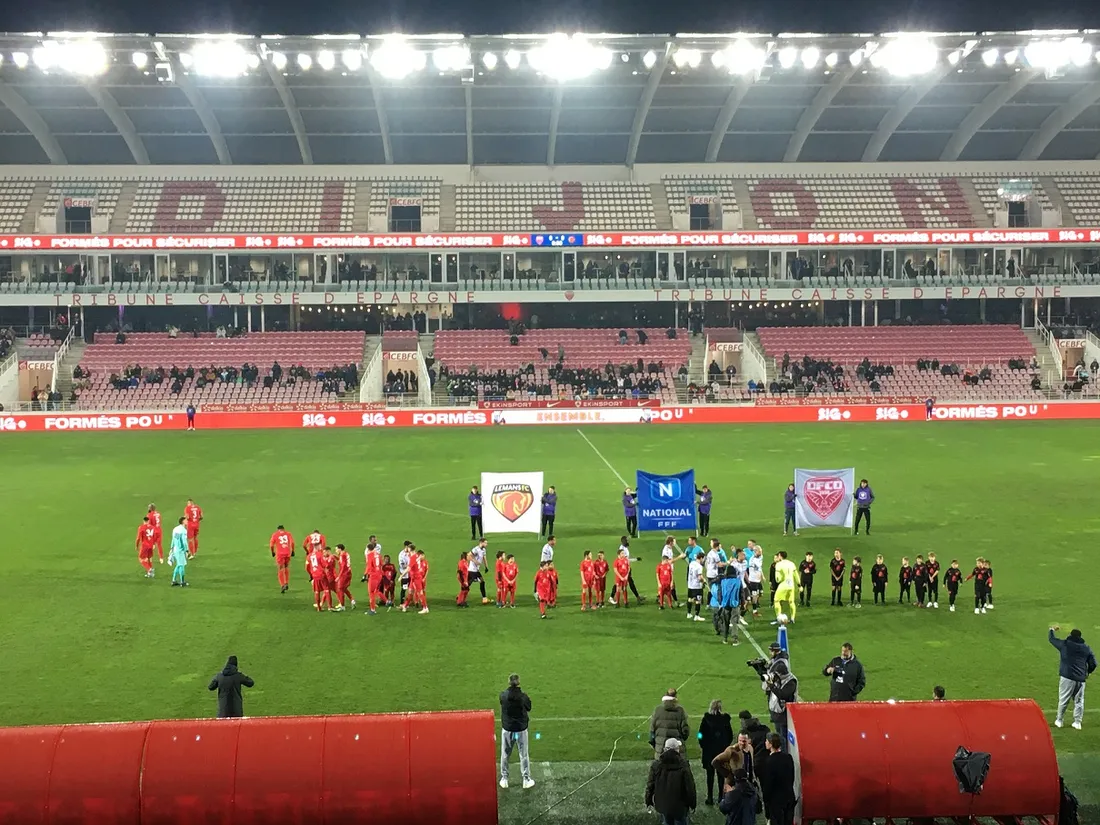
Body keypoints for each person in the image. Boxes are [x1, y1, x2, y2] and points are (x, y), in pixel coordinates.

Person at [1050, 626, 1097, 730]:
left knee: (1063, 699)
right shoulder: (1086, 648)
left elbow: (1052, 640)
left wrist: (1052, 630)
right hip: (1081, 679)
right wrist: (1087, 672)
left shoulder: (1065, 644)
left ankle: (1059, 720)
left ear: (1071, 635)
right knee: (1079, 701)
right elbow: (1093, 663)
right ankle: (1077, 722)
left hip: (1067, 677)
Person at [645, 738, 697, 825]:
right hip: (680, 806)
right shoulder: (683, 765)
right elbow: (690, 787)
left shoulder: (656, 765)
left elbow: (650, 785)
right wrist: (692, 803)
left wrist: (648, 799)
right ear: (677, 749)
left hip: (663, 805)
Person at [499, 673, 535, 789]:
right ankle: (526, 779)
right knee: (523, 754)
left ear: (509, 682)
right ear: (518, 682)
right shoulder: (523, 697)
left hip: (508, 728)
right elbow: (529, 707)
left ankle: (504, 779)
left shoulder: (503, 695)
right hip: (520, 729)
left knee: (505, 754)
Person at [698, 700, 734, 805]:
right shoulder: (725, 720)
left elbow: (700, 734)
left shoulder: (706, 720)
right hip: (721, 751)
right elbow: (730, 735)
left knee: (709, 775)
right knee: (721, 775)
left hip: (708, 751)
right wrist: (726, 745)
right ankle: (720, 797)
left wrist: (702, 745)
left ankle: (709, 797)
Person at [759, 733, 796, 825]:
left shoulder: (769, 762)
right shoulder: (788, 758)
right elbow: (792, 777)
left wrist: (766, 799)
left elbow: (768, 784)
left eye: (767, 741)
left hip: (776, 800)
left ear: (771, 744)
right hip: (789, 796)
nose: (765, 742)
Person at [764, 659, 798, 746]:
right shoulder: (778, 678)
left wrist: (771, 685)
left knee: (783, 740)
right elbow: (766, 689)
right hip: (776, 713)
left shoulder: (791, 682)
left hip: (784, 715)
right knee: (779, 737)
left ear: (780, 674)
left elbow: (782, 695)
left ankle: (785, 755)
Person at [650, 688, 690, 755]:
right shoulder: (680, 711)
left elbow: (652, 731)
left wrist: (655, 744)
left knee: (660, 764)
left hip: (661, 748)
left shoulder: (657, 710)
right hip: (677, 749)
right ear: (676, 697)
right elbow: (685, 731)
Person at [714, 563, 742, 645]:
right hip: (735, 603)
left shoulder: (723, 582)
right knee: (734, 622)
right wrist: (743, 603)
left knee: (725, 622)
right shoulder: (738, 581)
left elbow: (720, 593)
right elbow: (741, 593)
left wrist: (720, 602)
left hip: (725, 604)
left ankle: (725, 638)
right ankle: (735, 639)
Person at [772, 550, 799, 623]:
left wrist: (779, 578)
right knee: (791, 602)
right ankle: (792, 618)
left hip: (783, 585)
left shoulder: (778, 564)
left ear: (780, 556)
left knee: (776, 600)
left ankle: (778, 617)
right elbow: (796, 575)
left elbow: (778, 579)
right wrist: (799, 585)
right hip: (791, 585)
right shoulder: (791, 563)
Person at [269, 525, 295, 593]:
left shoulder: (275, 535)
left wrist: (272, 552)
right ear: (283, 529)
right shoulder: (288, 534)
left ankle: (282, 585)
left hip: (280, 554)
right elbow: (292, 542)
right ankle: (286, 582)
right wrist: (292, 551)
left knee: (280, 569)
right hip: (287, 553)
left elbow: (271, 545)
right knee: (286, 567)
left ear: (278, 530)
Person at [168, 517, 189, 587]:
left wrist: (171, 548)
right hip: (180, 550)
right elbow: (184, 542)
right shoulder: (183, 531)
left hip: (175, 549)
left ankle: (173, 580)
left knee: (178, 565)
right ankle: (182, 582)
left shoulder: (175, 529)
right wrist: (186, 550)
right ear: (183, 522)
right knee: (182, 565)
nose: (187, 521)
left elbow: (173, 539)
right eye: (186, 520)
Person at [334, 544, 355, 611]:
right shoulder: (345, 553)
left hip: (344, 574)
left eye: (336, 549)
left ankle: (342, 606)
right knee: (344, 588)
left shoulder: (342, 555)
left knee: (340, 589)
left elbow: (343, 567)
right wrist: (336, 557)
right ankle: (352, 600)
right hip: (348, 572)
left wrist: (339, 576)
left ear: (340, 549)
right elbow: (343, 562)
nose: (336, 550)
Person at [686, 551, 706, 622]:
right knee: (698, 600)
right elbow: (700, 577)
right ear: (701, 558)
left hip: (690, 584)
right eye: (703, 559)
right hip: (697, 586)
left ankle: (688, 614)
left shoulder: (692, 563)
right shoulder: (699, 566)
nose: (704, 560)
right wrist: (704, 581)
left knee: (690, 598)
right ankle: (696, 616)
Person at [468, 538, 489, 604]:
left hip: (476, 570)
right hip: (472, 570)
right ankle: (484, 598)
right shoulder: (475, 549)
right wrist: (476, 561)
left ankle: (484, 599)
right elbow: (468, 556)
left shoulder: (483, 550)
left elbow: (484, 558)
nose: (486, 544)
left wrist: (486, 567)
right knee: (469, 584)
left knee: (469, 583)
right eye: (485, 543)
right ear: (481, 542)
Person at [364, 541, 382, 614]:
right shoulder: (378, 555)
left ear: (368, 549)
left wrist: (365, 574)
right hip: (379, 575)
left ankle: (372, 610)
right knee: (375, 591)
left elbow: (369, 566)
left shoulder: (369, 555)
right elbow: (381, 564)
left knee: (371, 592)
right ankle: (374, 607)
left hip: (373, 576)